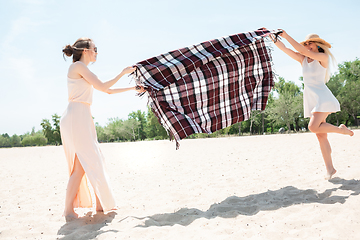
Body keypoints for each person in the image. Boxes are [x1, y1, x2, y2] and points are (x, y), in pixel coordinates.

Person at [61, 37, 144, 221]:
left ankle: (99, 205)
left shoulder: (83, 69)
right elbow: (104, 87)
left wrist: (132, 88)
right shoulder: (78, 67)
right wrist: (122, 73)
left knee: (91, 160)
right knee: (82, 164)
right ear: (85, 50)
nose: (96, 52)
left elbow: (108, 91)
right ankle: (68, 211)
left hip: (82, 115)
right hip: (76, 116)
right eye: (94, 48)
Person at [271, 30, 354, 180]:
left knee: (312, 127)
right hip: (313, 100)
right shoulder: (303, 59)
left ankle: (342, 130)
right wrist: (272, 37)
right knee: (321, 136)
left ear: (318, 44)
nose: (307, 45)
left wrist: (286, 35)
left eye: (310, 43)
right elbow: (284, 49)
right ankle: (330, 169)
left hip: (323, 98)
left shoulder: (323, 57)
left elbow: (301, 49)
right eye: (306, 43)